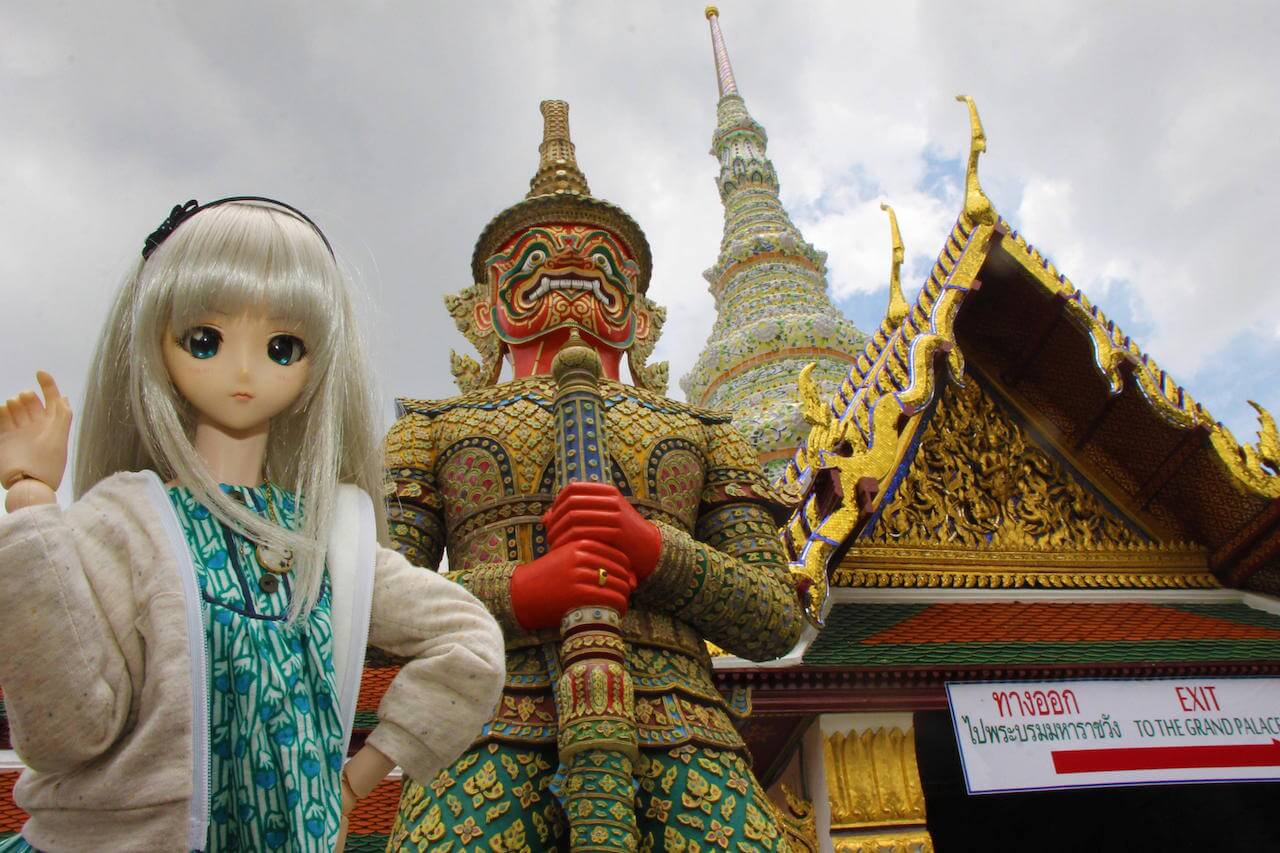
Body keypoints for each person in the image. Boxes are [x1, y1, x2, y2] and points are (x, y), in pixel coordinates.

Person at [0, 198, 505, 852]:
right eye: (204, 341)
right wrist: (32, 501)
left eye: (281, 347)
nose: (243, 371)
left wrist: (350, 784)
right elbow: (66, 731)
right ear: (155, 344)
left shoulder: (331, 541)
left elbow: (469, 644)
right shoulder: (124, 523)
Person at [382, 102, 803, 851]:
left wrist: (656, 552)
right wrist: (521, 589)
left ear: (639, 312)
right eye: (537, 261)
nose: (573, 271)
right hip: (484, 718)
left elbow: (774, 618)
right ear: (486, 306)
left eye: (604, 264)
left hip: (683, 726)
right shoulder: (431, 429)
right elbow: (370, 610)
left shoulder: (703, 433)